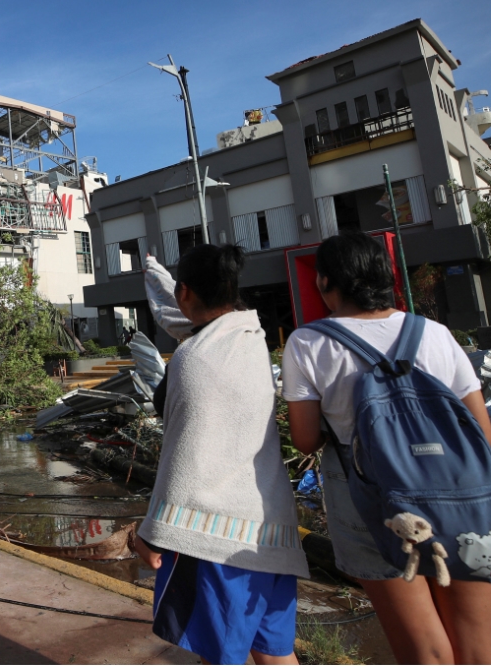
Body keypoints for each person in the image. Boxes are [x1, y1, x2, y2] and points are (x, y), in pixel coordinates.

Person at [282, 232, 491, 664]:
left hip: (371, 499)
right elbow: (482, 432)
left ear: (325, 282)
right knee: (477, 647)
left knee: (425, 651)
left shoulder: (308, 343)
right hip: (460, 493)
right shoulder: (435, 334)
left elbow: (305, 440)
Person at [134, 244, 308, 666]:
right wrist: (155, 272)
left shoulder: (192, 358)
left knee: (218, 654)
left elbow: (185, 454)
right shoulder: (251, 337)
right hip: (271, 532)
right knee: (275, 654)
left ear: (186, 292)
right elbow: (181, 317)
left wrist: (151, 529)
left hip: (216, 539)